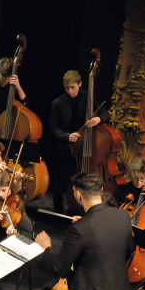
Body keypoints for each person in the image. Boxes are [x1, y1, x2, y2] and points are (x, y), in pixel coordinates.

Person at [49, 71, 102, 214]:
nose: (70, 91)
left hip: (83, 149)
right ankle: (58, 211)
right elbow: (53, 128)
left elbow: (105, 113)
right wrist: (67, 136)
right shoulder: (57, 103)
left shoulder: (88, 96)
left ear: (80, 84)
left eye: (72, 87)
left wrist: (99, 119)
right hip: (65, 148)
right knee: (61, 182)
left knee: (80, 180)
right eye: (67, 88)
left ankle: (75, 211)